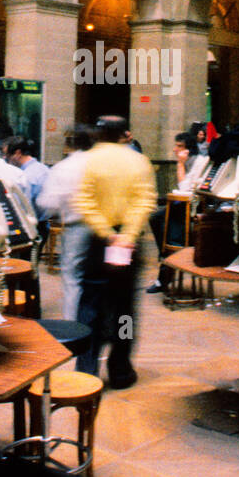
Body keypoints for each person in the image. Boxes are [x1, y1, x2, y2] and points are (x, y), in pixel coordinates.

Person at [72, 116, 157, 388]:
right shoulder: (138, 161)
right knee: (124, 310)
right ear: (125, 135)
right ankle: (120, 371)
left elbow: (83, 199)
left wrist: (108, 234)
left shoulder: (90, 159)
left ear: (99, 134)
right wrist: (127, 236)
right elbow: (145, 200)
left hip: (99, 243)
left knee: (90, 307)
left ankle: (87, 371)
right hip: (128, 247)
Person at [38, 125, 94, 320]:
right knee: (98, 280)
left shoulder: (64, 167)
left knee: (72, 280)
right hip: (106, 229)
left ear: (69, 143)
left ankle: (74, 328)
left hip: (76, 227)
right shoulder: (102, 164)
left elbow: (47, 202)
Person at [146, 132, 200, 293]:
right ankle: (163, 253)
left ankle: (165, 271)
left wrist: (180, 165)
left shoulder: (196, 163)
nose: (175, 150)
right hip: (182, 204)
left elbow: (185, 189)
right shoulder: (189, 161)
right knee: (155, 218)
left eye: (179, 146)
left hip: (193, 208)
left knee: (172, 234)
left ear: (189, 150)